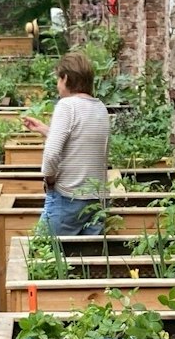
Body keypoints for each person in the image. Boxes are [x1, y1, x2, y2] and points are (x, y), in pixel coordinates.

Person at [21, 52, 110, 237]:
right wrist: (46, 130)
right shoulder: (100, 108)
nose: (57, 85)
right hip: (97, 201)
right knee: (85, 262)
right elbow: (82, 141)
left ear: (66, 78)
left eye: (58, 79)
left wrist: (49, 179)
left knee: (43, 255)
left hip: (68, 198)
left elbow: (52, 153)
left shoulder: (67, 105)